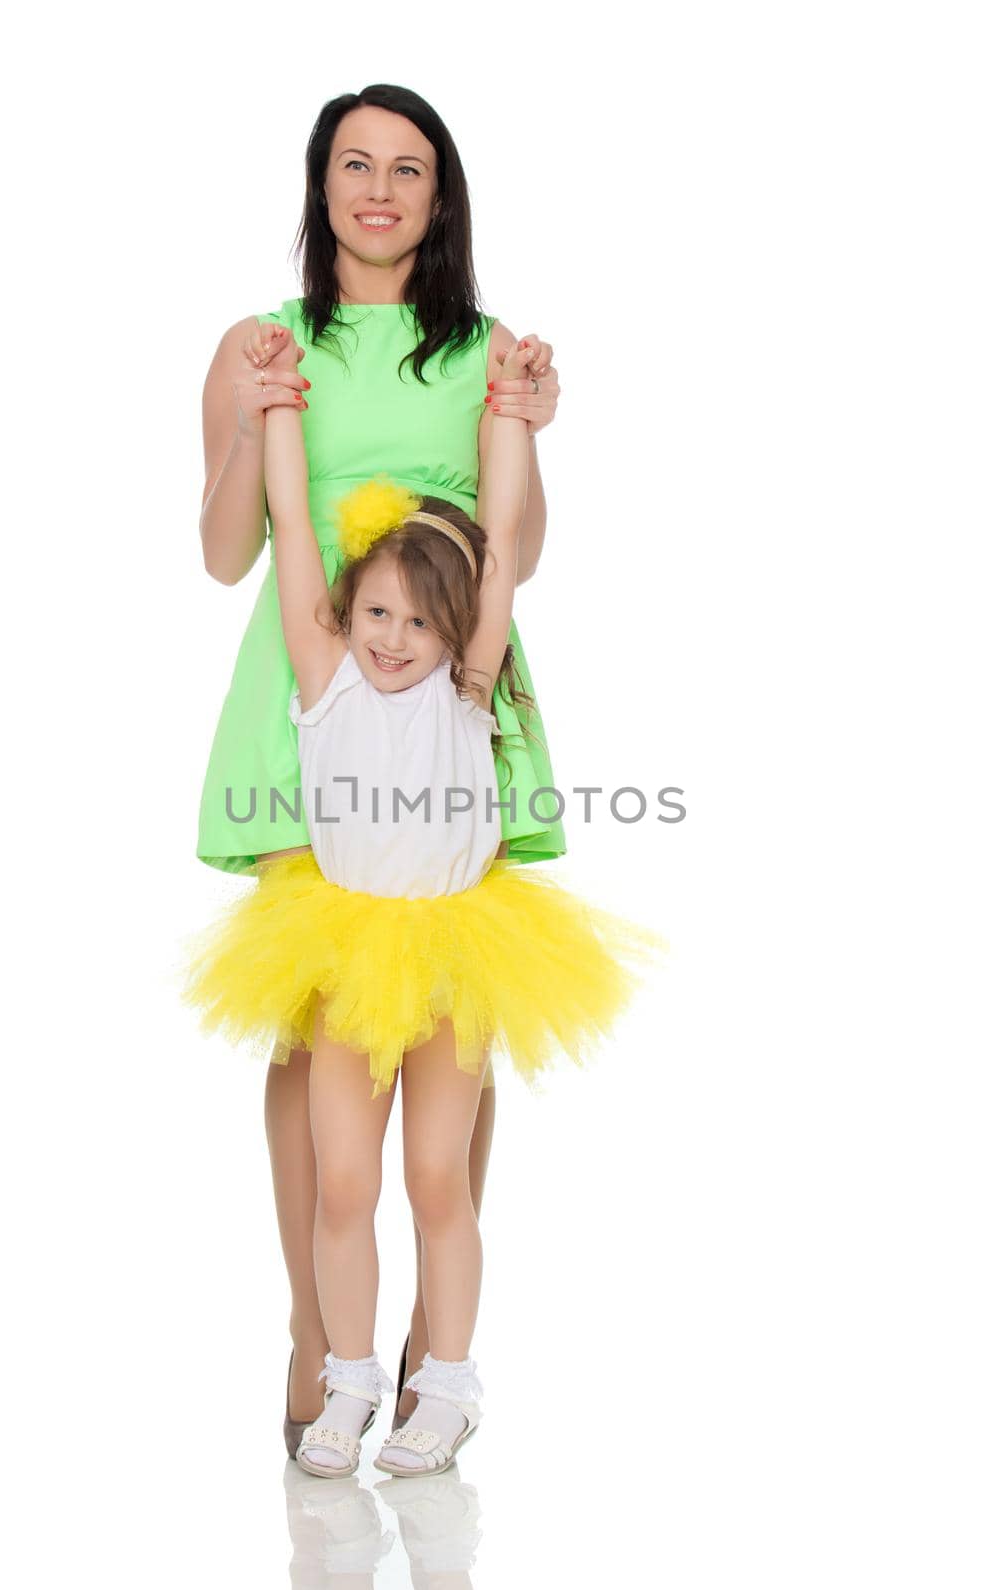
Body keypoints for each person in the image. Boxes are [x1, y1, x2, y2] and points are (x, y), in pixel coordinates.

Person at [181, 326, 664, 1478]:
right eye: (377, 614)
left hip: (457, 952)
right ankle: (347, 1375)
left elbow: (496, 550)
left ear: (459, 633)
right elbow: (292, 529)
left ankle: (442, 1380)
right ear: (345, 615)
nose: (393, 638)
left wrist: (506, 407)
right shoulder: (322, 673)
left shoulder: (469, 682)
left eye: (417, 619)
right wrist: (280, 410)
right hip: (349, 948)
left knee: (436, 1175)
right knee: (342, 1179)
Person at [194, 84, 568, 1449]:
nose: (378, 189)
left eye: (407, 169)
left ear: (438, 195)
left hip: (449, 683)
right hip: (312, 690)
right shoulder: (264, 342)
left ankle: (432, 1347)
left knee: (450, 995)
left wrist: (527, 415)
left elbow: (513, 553)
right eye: (353, 164)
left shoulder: (480, 348)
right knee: (318, 1028)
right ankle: (323, 1326)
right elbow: (231, 549)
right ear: (320, 183)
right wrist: (251, 414)